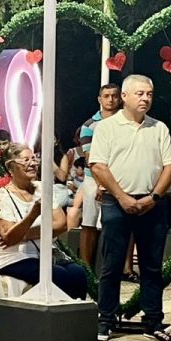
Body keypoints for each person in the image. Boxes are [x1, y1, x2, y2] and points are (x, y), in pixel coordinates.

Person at [89, 74, 171, 341]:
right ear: (124, 96)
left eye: (149, 94)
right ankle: (106, 319)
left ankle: (153, 320)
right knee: (112, 265)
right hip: (116, 202)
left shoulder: (158, 128)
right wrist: (122, 197)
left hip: (153, 204)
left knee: (151, 266)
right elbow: (98, 165)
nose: (145, 99)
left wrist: (153, 197)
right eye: (140, 93)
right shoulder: (106, 128)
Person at [0, 144, 88, 299]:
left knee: (78, 274)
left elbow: (61, 224)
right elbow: (9, 238)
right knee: (59, 276)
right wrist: (33, 214)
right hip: (12, 258)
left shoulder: (42, 188)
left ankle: (73, 314)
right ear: (11, 167)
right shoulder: (1, 197)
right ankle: (54, 313)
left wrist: (24, 235)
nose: (33, 164)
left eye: (34, 159)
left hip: (44, 253)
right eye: (26, 160)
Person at [77, 83, 123, 266]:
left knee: (117, 224)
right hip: (94, 178)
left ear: (120, 98)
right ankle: (86, 269)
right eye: (106, 96)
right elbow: (90, 159)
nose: (110, 99)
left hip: (120, 177)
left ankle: (119, 268)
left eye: (114, 95)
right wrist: (101, 184)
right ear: (100, 99)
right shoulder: (89, 125)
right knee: (89, 222)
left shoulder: (126, 122)